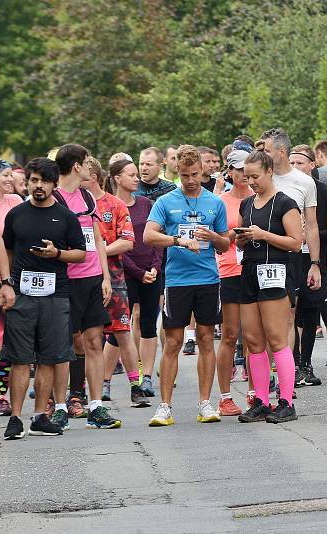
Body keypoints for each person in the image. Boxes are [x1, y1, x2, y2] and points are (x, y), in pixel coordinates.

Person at [144, 144, 229, 426]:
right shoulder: (166, 201)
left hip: (207, 279)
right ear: (176, 172)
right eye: (184, 175)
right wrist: (177, 240)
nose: (190, 180)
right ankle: (164, 406)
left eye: (194, 174)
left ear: (203, 170)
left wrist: (213, 237)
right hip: (177, 280)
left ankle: (205, 403)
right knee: (173, 342)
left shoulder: (214, 202)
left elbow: (225, 243)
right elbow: (148, 236)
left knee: (206, 338)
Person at [3, 157, 80, 440]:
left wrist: (57, 254)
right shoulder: (16, 215)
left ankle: (39, 417)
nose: (38, 186)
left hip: (55, 295)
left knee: (49, 358)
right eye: (33, 180)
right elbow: (7, 251)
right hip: (22, 294)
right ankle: (15, 418)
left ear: (53, 184)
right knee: (20, 359)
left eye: (44, 181)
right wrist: (8, 283)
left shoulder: (66, 216)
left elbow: (81, 253)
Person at [52, 144, 120, 430]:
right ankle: (59, 406)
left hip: (93, 279)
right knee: (63, 346)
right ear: (76, 166)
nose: (90, 165)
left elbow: (98, 240)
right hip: (67, 279)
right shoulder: (55, 198)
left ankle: (96, 406)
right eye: (86, 161)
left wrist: (105, 277)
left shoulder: (87, 197)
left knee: (94, 342)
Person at [235, 149, 303, 424]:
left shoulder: (285, 203)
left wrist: (264, 235)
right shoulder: (247, 204)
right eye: (246, 176)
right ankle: (261, 400)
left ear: (269, 172)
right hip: (250, 270)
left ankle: (286, 400)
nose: (251, 181)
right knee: (253, 340)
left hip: (275, 270)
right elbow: (240, 233)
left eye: (255, 176)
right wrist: (239, 238)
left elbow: (296, 242)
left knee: (277, 339)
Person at [84, 158, 149, 408]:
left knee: (122, 332)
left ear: (94, 177)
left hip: (114, 276)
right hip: (83, 278)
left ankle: (136, 386)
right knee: (86, 336)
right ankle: (86, 391)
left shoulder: (115, 204)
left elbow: (128, 241)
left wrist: (99, 252)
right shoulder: (74, 204)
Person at [260, 128, 322, 374]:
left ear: (281, 151)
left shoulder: (304, 182)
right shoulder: (263, 177)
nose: (262, 154)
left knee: (289, 314)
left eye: (266, 150)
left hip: (293, 256)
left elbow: (314, 225)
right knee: (265, 319)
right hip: (262, 255)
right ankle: (266, 374)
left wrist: (315, 263)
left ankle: (286, 372)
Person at [289, 144, 327, 383]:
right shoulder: (281, 190)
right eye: (291, 163)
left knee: (312, 312)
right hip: (289, 258)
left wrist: (315, 236)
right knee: (290, 313)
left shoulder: (323, 191)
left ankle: (306, 364)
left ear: (312, 165)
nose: (295, 168)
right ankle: (292, 363)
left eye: (300, 163)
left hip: (314, 260)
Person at [113, 159, 162, 397]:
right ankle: (104, 381)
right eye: (131, 175)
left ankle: (147, 377)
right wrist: (138, 273)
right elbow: (119, 247)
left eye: (136, 175)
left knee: (149, 325)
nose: (136, 178)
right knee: (120, 327)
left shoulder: (146, 203)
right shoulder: (112, 206)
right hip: (126, 274)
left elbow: (157, 237)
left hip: (152, 273)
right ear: (117, 179)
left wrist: (154, 267)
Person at [214, 148, 253, 416]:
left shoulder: (260, 197)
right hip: (229, 270)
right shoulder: (219, 201)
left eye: (246, 168)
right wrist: (233, 234)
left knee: (254, 337)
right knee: (229, 336)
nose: (242, 173)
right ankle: (225, 396)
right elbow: (216, 242)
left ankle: (255, 392)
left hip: (256, 269)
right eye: (237, 169)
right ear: (229, 171)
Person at [0, 159, 22, 417]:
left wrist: (8, 279)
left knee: (6, 338)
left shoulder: (15, 203)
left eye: (12, 175)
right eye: (5, 175)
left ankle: (3, 394)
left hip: (6, 279)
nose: (10, 180)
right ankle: (1, 391)